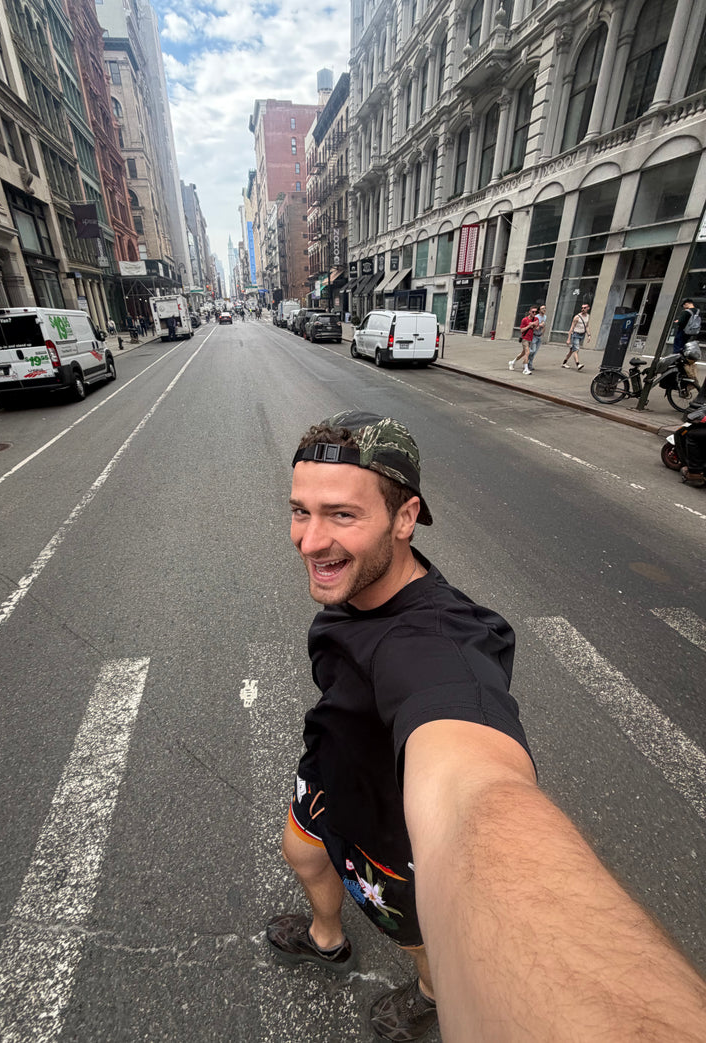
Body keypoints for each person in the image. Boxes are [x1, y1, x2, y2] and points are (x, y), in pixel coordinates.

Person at [267, 410, 706, 1042]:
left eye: (341, 515)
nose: (309, 541)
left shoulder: (439, 645)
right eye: (301, 510)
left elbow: (472, 786)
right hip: (329, 775)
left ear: (405, 517)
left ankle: (428, 993)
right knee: (304, 854)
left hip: (391, 830)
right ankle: (327, 938)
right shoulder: (358, 592)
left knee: (416, 934)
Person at [508, 306, 538, 374]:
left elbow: (535, 329)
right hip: (525, 338)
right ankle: (525, 369)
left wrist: (535, 325)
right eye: (533, 312)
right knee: (527, 352)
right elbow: (522, 330)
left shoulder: (535, 319)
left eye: (535, 312)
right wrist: (529, 325)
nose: (534, 313)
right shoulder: (525, 320)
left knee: (523, 353)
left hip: (530, 338)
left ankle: (512, 362)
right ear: (530, 312)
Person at [562, 303, 590, 370]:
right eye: (582, 308)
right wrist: (568, 338)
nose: (583, 309)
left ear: (588, 308)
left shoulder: (588, 316)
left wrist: (589, 335)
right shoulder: (577, 317)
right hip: (575, 335)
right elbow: (571, 328)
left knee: (572, 350)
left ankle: (564, 363)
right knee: (576, 350)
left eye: (584, 308)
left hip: (582, 334)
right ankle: (578, 364)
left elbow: (587, 326)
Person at [528, 303, 546, 371]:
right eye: (542, 309)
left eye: (545, 308)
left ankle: (530, 364)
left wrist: (543, 333)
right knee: (532, 351)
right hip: (534, 336)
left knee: (535, 352)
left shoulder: (545, 317)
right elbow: (534, 328)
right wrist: (540, 326)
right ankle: (526, 361)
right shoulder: (537, 317)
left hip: (539, 336)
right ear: (539, 310)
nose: (544, 310)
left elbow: (544, 325)